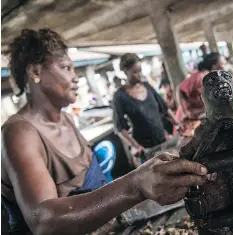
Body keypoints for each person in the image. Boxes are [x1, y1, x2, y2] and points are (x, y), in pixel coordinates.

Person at [1, 28, 211, 235]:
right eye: (66, 68)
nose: (75, 78)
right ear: (35, 72)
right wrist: (136, 185)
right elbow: (44, 222)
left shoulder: (65, 119)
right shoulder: (19, 133)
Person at [113, 53, 180, 151]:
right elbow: (120, 128)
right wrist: (136, 146)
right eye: (135, 72)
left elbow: (164, 109)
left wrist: (178, 123)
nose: (139, 75)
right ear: (125, 72)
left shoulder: (147, 86)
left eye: (140, 71)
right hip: (145, 147)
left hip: (163, 139)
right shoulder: (120, 96)